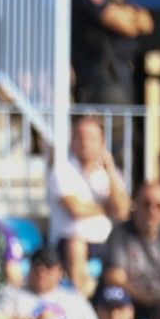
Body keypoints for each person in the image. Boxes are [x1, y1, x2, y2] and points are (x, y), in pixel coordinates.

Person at [48, 115, 128, 292]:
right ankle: (81, 301)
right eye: (80, 137)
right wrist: (107, 208)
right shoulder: (62, 171)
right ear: (72, 141)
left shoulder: (111, 175)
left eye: (91, 138)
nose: (85, 142)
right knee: (77, 245)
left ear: (102, 143)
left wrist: (110, 171)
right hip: (67, 243)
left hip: (106, 243)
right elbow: (76, 209)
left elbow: (122, 210)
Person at [71, 0, 153, 105]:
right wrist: (127, 17)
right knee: (106, 124)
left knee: (121, 125)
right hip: (99, 70)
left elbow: (146, 22)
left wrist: (123, 13)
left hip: (121, 70)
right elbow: (120, 24)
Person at [107, 181, 160, 309]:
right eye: (146, 204)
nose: (152, 211)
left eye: (159, 206)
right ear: (135, 205)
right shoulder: (119, 235)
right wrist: (149, 301)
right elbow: (115, 278)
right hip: (130, 305)